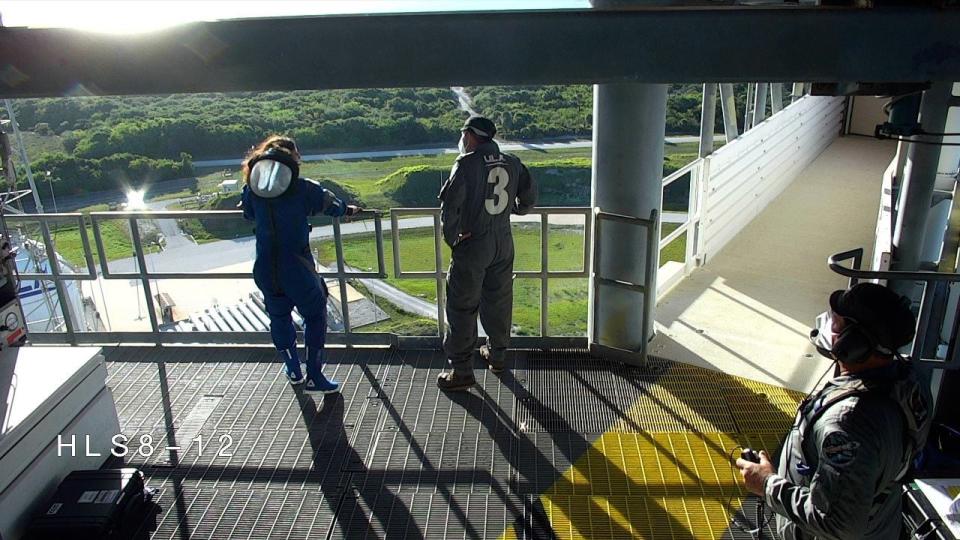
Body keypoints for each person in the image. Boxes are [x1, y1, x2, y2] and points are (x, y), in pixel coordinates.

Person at [736, 282, 932, 539]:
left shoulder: (847, 424)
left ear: (854, 345)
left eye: (836, 324)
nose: (828, 326)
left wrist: (766, 483)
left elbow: (837, 523)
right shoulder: (909, 380)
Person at [240, 135, 361, 394]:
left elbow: (248, 212)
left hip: (265, 265)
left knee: (279, 317)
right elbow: (332, 205)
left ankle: (292, 368)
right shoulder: (303, 188)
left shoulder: (253, 187)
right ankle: (314, 375)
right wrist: (348, 210)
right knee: (315, 313)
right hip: (296, 265)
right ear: (292, 159)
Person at [436, 115, 537, 391]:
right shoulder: (512, 162)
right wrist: (510, 212)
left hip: (473, 245)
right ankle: (497, 356)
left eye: (464, 135)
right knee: (499, 300)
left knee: (461, 307)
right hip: (503, 242)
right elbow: (527, 200)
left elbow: (451, 208)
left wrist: (454, 240)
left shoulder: (466, 164)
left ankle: (461, 371)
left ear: (470, 136)